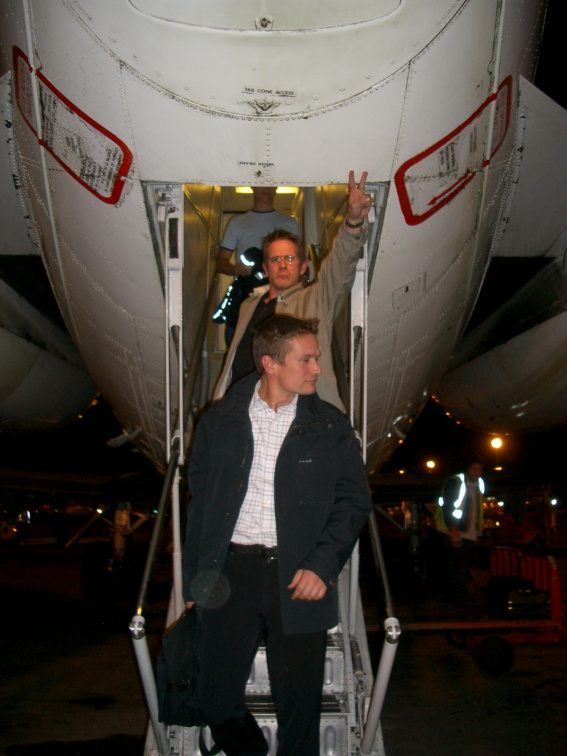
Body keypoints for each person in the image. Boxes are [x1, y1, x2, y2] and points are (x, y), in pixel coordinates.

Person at [182, 315, 372, 756]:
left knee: (299, 714)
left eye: (316, 358)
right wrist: (195, 578)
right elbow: (200, 505)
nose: (316, 368)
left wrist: (323, 565)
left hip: (299, 575)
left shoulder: (331, 426)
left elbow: (354, 502)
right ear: (270, 363)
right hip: (230, 573)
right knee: (215, 699)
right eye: (305, 360)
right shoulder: (219, 420)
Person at [213, 170, 372, 410]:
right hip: (246, 410)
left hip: (300, 414)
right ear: (265, 268)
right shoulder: (249, 304)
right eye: (275, 260)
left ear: (303, 266)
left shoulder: (315, 299)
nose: (282, 265)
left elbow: (340, 266)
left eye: (289, 258)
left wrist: (353, 222)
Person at [215, 187, 300, 345]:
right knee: (238, 340)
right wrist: (238, 270)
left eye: (270, 184)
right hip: (246, 293)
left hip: (280, 295)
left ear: (276, 188)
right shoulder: (237, 223)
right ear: (253, 187)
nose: (265, 188)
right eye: (261, 184)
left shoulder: (289, 223)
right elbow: (221, 262)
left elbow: (298, 260)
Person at [436, 460, 485, 605]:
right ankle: (458, 597)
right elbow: (448, 505)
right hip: (454, 530)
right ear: (467, 469)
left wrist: (477, 529)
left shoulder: (478, 484)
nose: (476, 473)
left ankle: (459, 595)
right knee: (456, 564)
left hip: (468, 531)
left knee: (461, 564)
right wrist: (452, 527)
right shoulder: (455, 482)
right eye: (474, 469)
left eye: (479, 470)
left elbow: (477, 508)